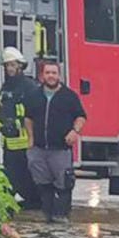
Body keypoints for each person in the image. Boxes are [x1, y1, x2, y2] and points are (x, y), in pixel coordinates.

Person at [23, 60, 86, 222]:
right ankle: (48, 216)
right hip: (38, 149)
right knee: (43, 184)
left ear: (59, 75)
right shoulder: (34, 95)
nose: (51, 76)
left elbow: (81, 116)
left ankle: (61, 216)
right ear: (42, 75)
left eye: (54, 73)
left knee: (64, 183)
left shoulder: (69, 96)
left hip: (60, 149)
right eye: (47, 73)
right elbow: (28, 118)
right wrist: (30, 139)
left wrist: (75, 131)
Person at [0, 48, 41, 211]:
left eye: (12, 65)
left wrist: (32, 139)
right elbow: (0, 114)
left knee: (27, 176)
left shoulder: (30, 87)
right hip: (9, 143)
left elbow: (35, 113)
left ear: (20, 65)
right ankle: (9, 203)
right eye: (7, 65)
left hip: (25, 143)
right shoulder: (6, 87)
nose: (9, 69)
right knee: (10, 175)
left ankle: (35, 203)